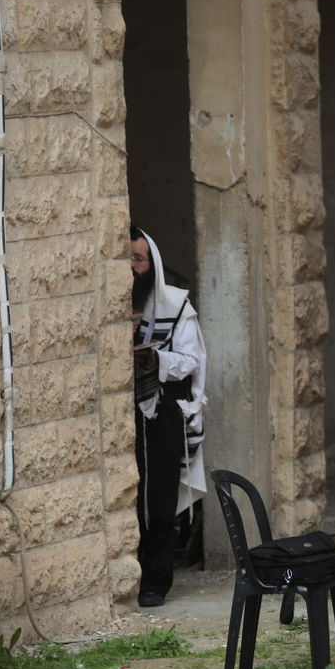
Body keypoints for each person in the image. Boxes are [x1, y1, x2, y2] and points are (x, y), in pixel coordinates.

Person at [131, 225, 207, 608]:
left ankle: (155, 581)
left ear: (153, 264)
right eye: (126, 259)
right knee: (131, 499)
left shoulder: (176, 305)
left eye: (139, 259)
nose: (132, 268)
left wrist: (154, 357)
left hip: (161, 412)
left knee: (159, 500)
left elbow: (192, 362)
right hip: (127, 413)